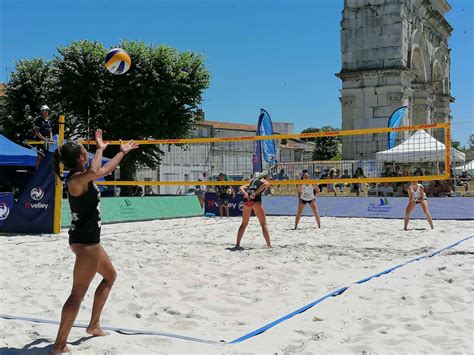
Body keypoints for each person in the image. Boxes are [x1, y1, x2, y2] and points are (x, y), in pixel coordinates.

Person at [52, 130, 138, 354]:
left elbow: (105, 169)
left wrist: (121, 152)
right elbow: (95, 169)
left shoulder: (84, 176)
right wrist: (100, 148)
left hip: (88, 240)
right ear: (81, 158)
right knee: (77, 293)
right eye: (86, 151)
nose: (88, 153)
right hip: (86, 243)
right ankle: (60, 345)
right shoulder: (77, 178)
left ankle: (93, 325)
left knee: (110, 276)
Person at [235, 172, 272, 248]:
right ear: (266, 177)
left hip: (247, 201)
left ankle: (237, 244)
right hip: (255, 201)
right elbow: (265, 185)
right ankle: (269, 245)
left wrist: (245, 193)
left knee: (244, 224)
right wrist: (255, 193)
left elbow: (241, 187)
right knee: (263, 224)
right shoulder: (264, 181)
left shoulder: (252, 181)